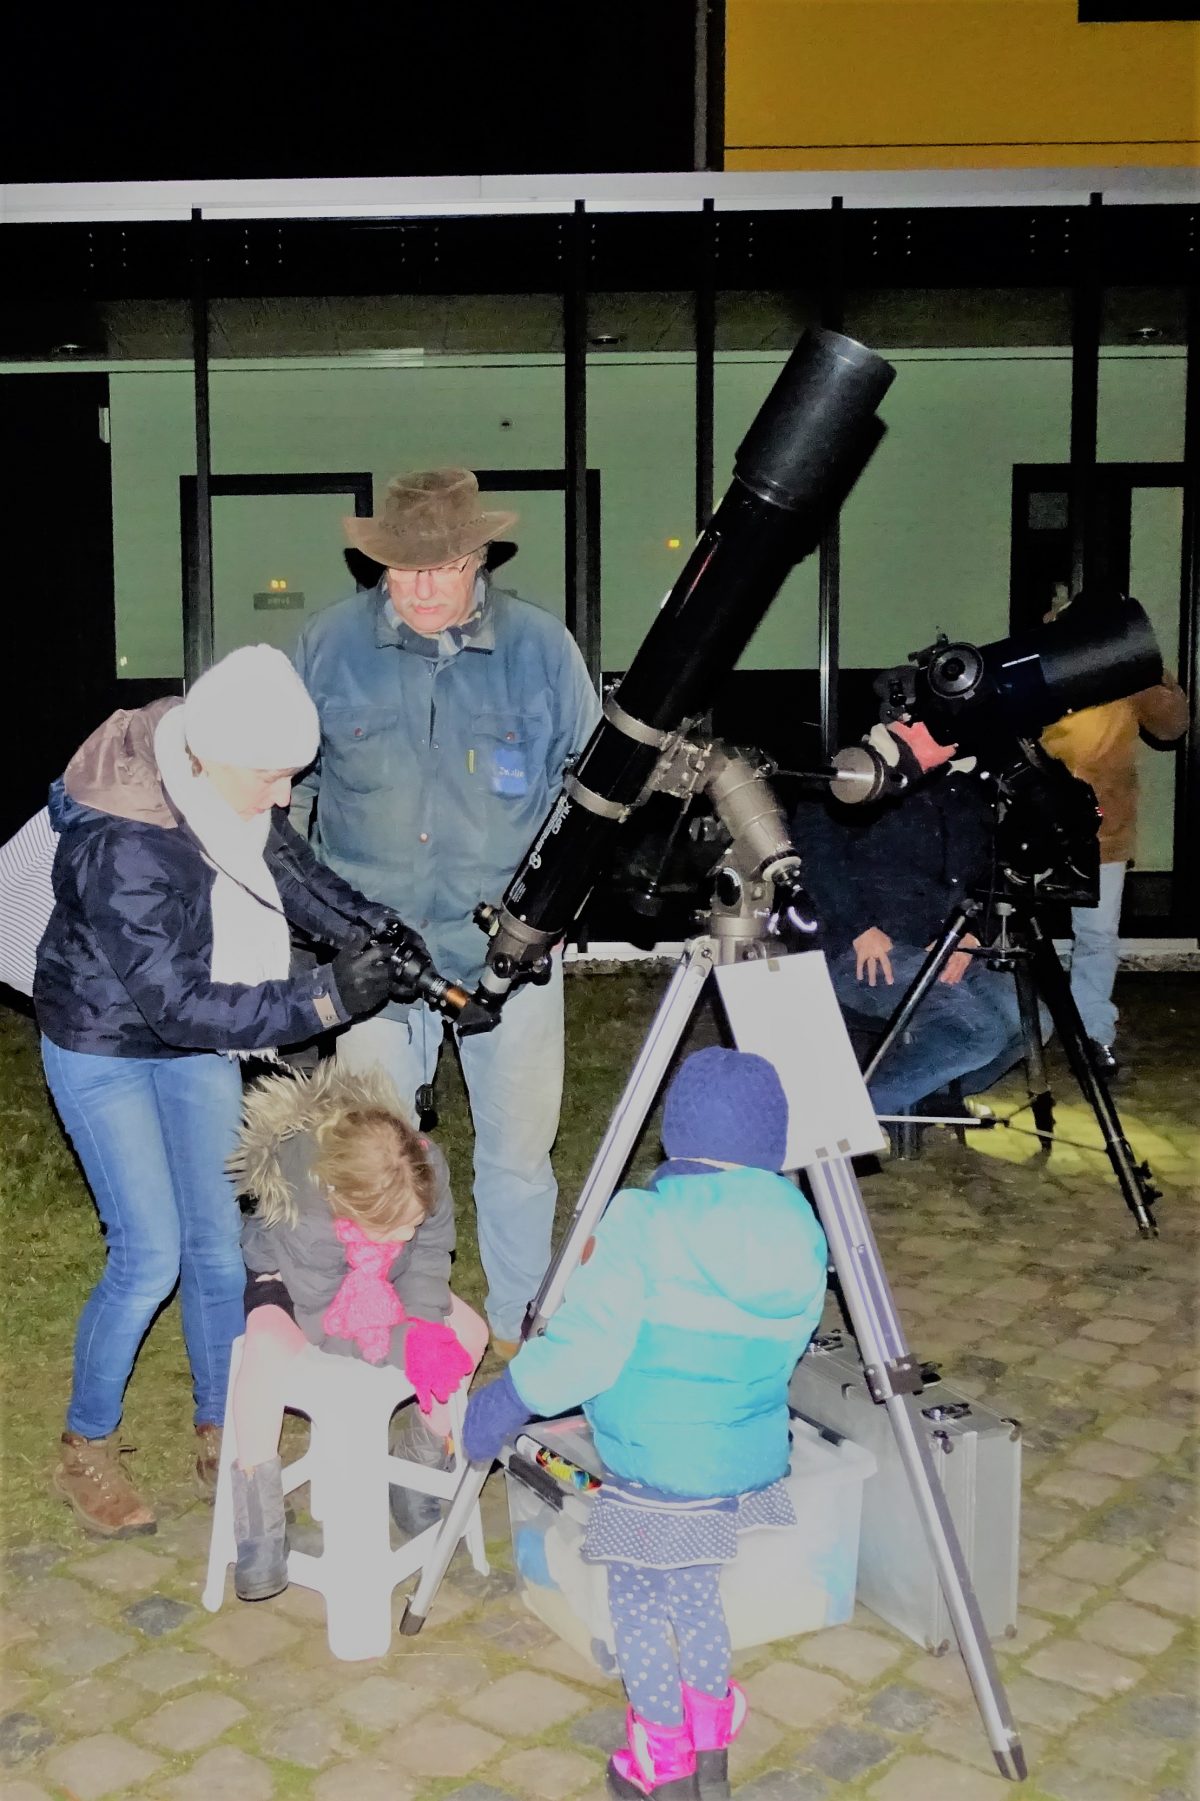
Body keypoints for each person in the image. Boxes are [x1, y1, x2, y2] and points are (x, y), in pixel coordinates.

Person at [34, 648, 425, 1538]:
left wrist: (383, 936)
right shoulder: (123, 838)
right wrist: (327, 995)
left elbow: (295, 875)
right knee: (150, 1254)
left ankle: (225, 1424)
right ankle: (85, 1442)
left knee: (219, 1244)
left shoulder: (218, 784)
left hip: (193, 1034)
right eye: (273, 775)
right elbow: (174, 1004)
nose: (285, 795)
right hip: (105, 1042)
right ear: (208, 754)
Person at [464, 1047, 828, 1801]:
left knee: (635, 1600)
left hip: (656, 1465)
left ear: (677, 1133)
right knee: (694, 1589)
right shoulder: (800, 1224)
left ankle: (662, 1760)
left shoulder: (643, 1221)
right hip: (741, 1459)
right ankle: (712, 1739)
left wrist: (502, 1401)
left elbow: (584, 1351)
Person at [291, 468, 601, 1354]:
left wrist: (552, 915)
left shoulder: (544, 651)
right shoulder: (326, 647)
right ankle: (382, 1318)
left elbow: (591, 805)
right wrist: (314, 924)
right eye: (402, 567)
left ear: (479, 556)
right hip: (372, 959)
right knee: (374, 1153)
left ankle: (518, 1324)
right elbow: (292, 795)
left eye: (442, 566)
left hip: (510, 953)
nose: (422, 586)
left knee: (517, 1155)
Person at [227, 1062, 488, 1600]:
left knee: (468, 1333)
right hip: (295, 1280)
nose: (410, 1230)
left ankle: (417, 1466)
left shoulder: (419, 1168)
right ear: (351, 1207)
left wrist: (421, 1323)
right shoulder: (309, 1212)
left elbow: (430, 1252)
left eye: (414, 1219)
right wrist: (395, 1347)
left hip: (379, 1274)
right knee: (266, 1351)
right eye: (397, 1227)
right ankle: (259, 1519)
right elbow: (321, 1321)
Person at [796, 739, 1040, 1116]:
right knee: (977, 1031)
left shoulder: (965, 788)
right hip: (863, 949)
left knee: (1030, 1024)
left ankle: (928, 1099)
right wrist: (858, 926)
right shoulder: (859, 774)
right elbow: (815, 854)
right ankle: (857, 1114)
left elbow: (992, 874)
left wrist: (972, 934)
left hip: (949, 945)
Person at [1040, 589, 1188, 1076]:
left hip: (1104, 829)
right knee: (1010, 932)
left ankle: (1091, 1036)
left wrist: (1152, 667)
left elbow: (1171, 728)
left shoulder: (1128, 671)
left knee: (1097, 937)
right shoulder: (1043, 656)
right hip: (1034, 821)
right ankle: (1009, 1035)